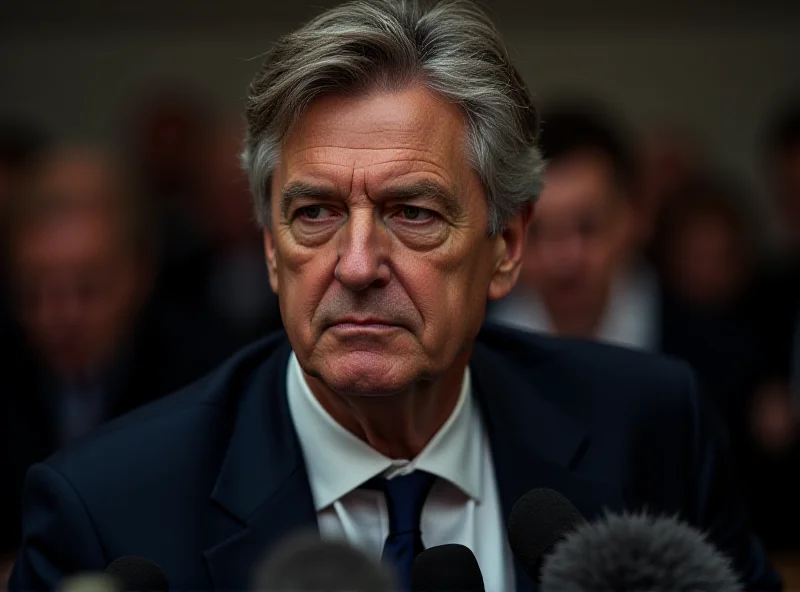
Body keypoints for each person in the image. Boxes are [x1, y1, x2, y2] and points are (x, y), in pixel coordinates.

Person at [9, 2, 780, 591]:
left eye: (413, 212)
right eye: (313, 214)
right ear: (272, 252)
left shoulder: (650, 429)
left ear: (507, 246)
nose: (356, 264)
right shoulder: (105, 510)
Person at [0, 147, 228, 571]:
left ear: (141, 271)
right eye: (32, 292)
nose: (59, 315)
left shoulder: (206, 374)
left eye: (88, 288)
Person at [489, 103, 661, 350]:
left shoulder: (708, 349)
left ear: (636, 220)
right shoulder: (470, 346)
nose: (562, 260)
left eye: (587, 227)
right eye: (536, 233)